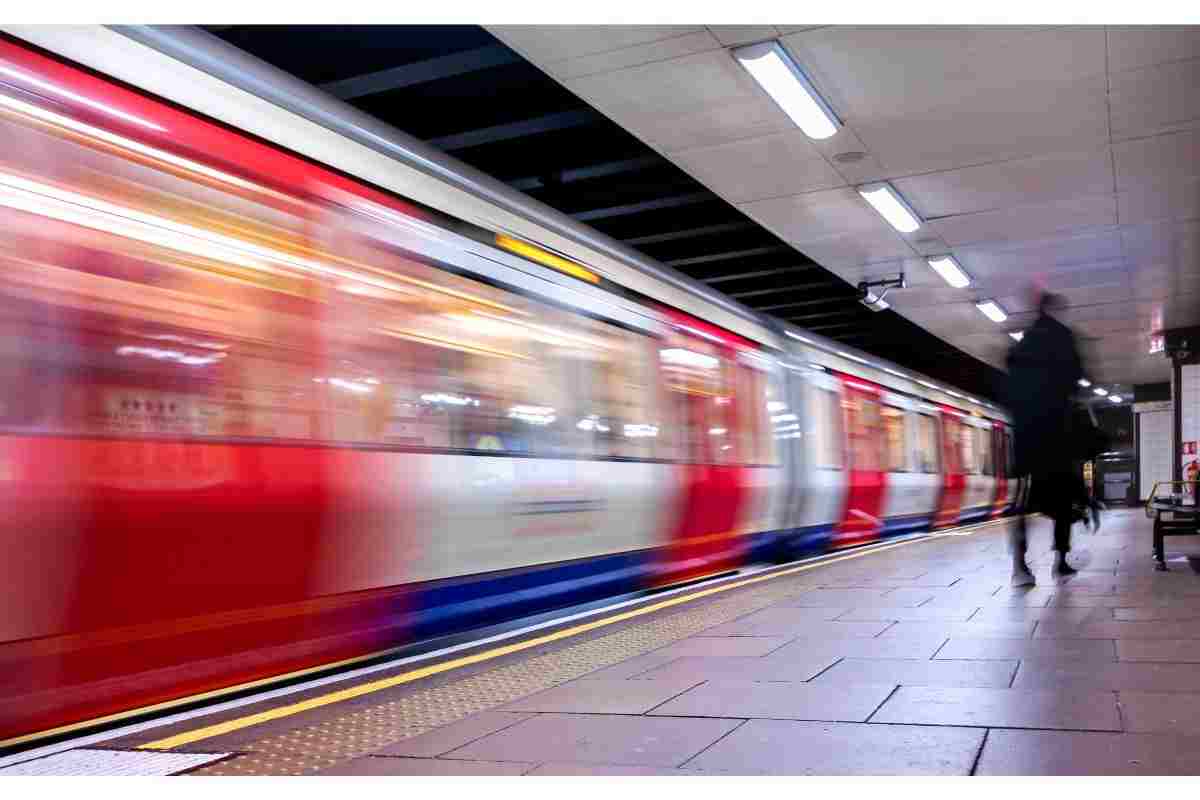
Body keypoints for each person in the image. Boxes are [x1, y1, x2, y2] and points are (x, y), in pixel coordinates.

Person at [1005, 291, 1085, 585]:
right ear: (1054, 310)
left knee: (1022, 504)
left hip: (1027, 439)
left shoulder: (1022, 345)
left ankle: (1019, 567)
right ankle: (1060, 561)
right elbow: (1076, 379)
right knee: (1063, 503)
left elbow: (1009, 387)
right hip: (1055, 437)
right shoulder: (1063, 338)